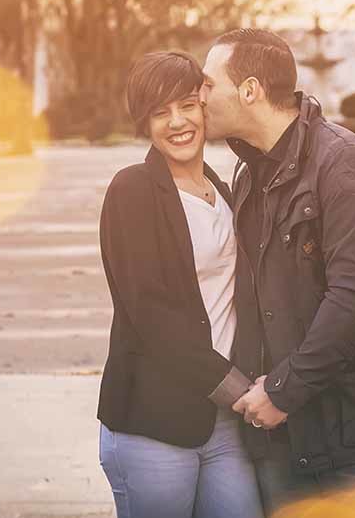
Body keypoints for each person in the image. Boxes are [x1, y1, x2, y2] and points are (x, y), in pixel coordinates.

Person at [200, 29, 355, 517]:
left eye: (207, 85)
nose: (199, 98)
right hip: (283, 441)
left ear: (249, 91)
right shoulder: (249, 174)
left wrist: (284, 391)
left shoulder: (345, 164)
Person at [96, 51, 264, 518]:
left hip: (225, 425)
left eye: (187, 105)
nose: (177, 122)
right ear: (144, 124)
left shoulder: (227, 191)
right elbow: (152, 317)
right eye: (159, 112)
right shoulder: (132, 191)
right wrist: (240, 392)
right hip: (154, 424)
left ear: (204, 108)